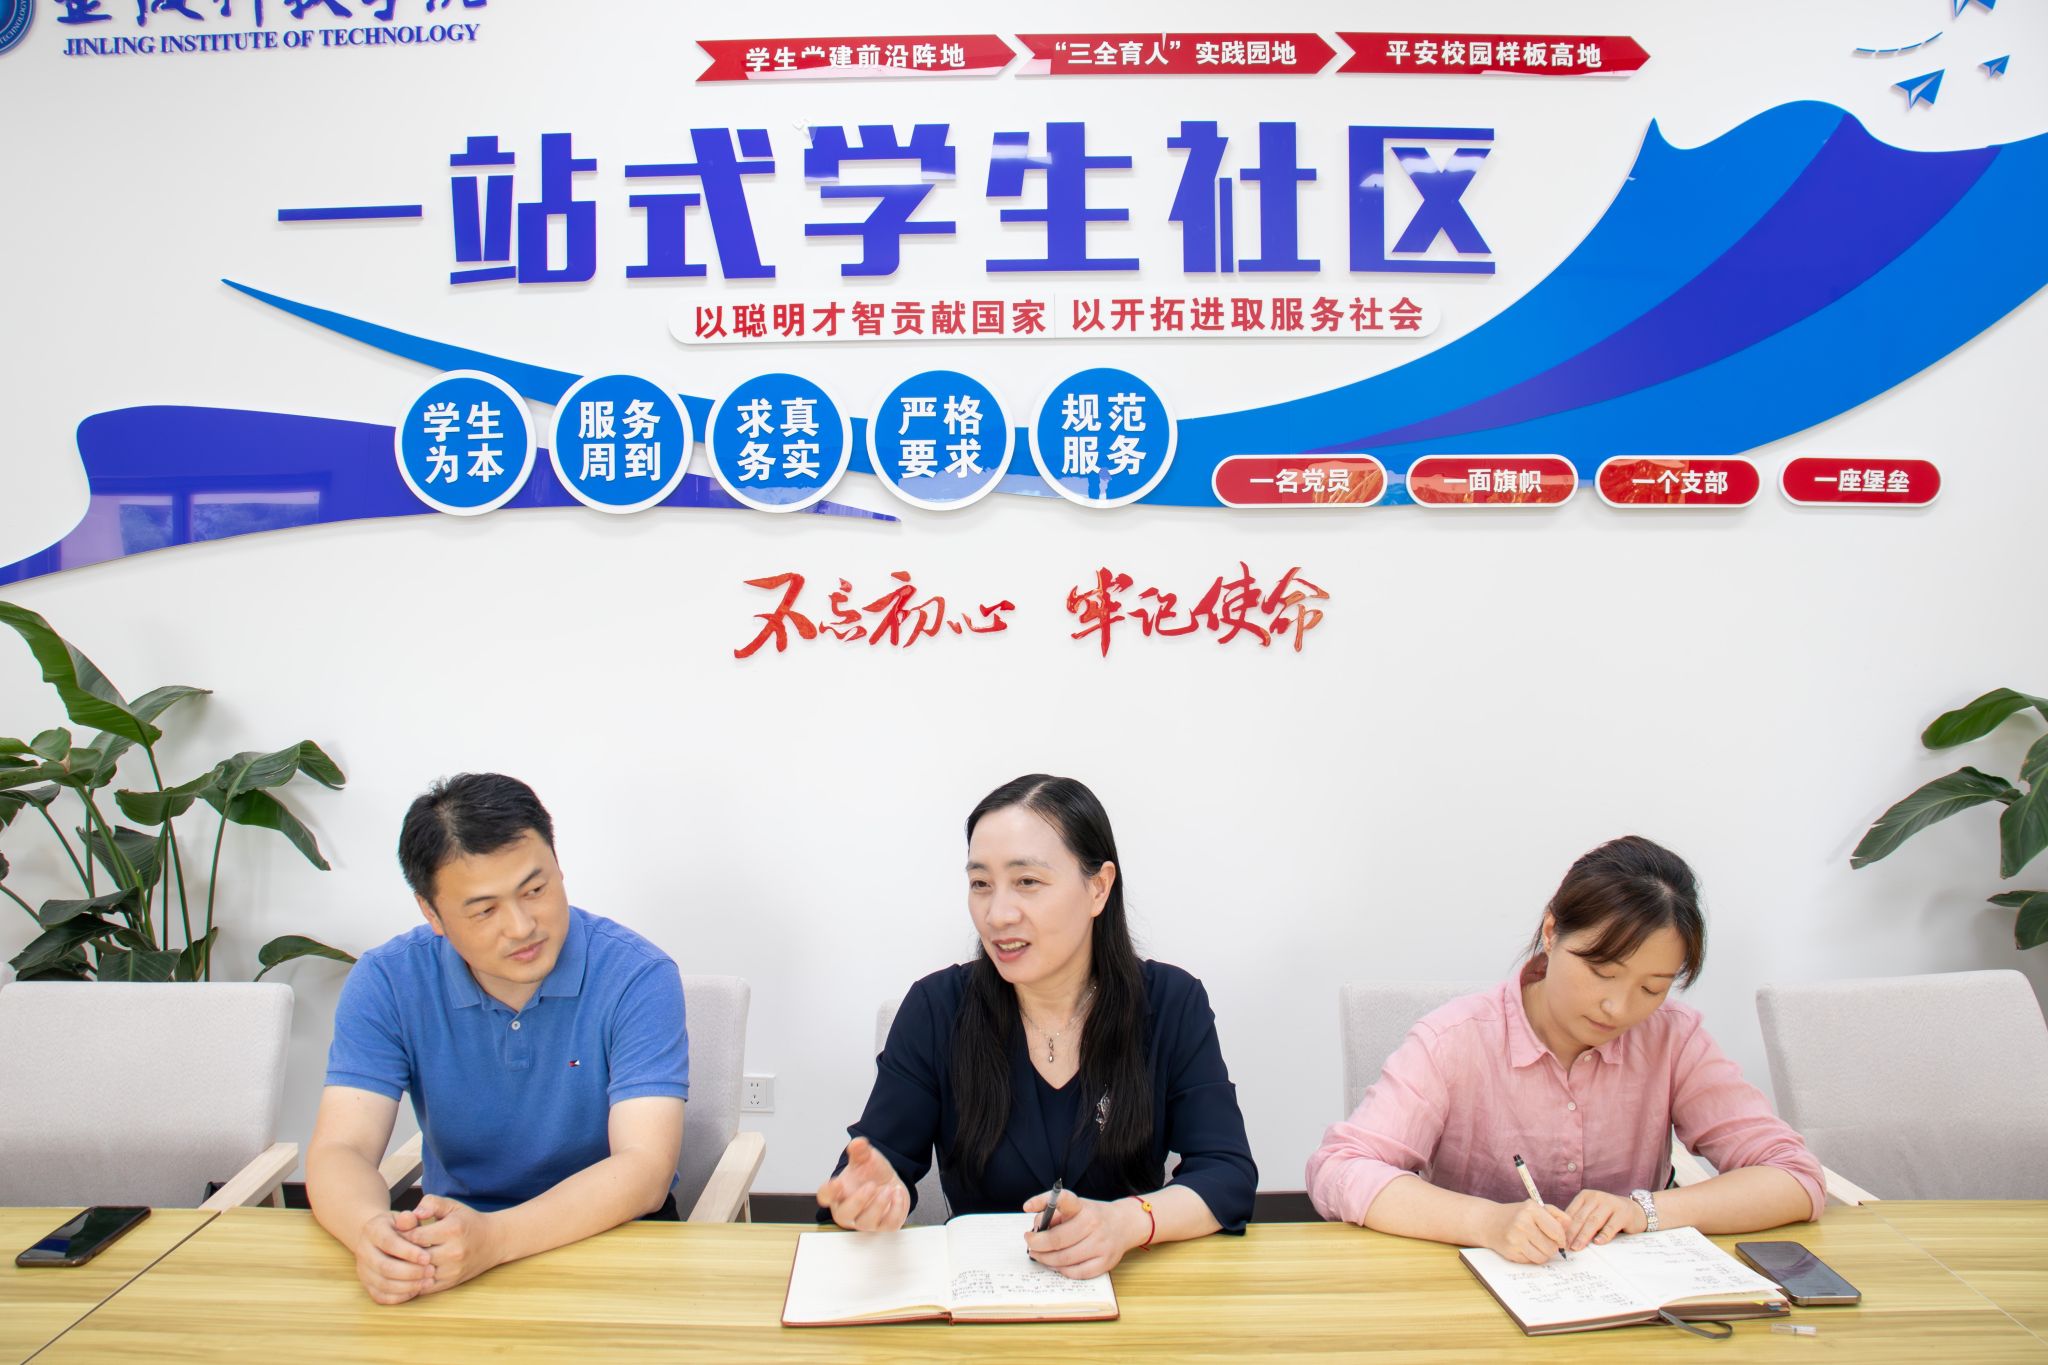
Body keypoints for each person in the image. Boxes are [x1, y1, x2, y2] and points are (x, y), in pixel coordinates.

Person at [1305, 835, 1823, 1264]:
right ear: (1552, 932)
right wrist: (1486, 1222)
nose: (1618, 1008)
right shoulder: (1455, 1040)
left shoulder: (1673, 1038)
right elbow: (1340, 1168)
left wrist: (1644, 1211)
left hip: (1627, 1308)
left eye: (1652, 988)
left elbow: (1793, 1176)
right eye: (1602, 972)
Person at [817, 774, 1257, 1278]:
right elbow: (873, 1168)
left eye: (1027, 882)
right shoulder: (936, 1009)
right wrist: (868, 1198)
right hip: (981, 1299)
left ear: (1098, 887)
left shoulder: (1171, 1003)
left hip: (1132, 1291)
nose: (998, 914)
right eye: (981, 884)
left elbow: (1226, 1173)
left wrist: (1126, 1222)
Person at [306, 773, 689, 1304]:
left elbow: (644, 1168)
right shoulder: (388, 981)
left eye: (535, 890)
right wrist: (372, 1233)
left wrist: (496, 1238)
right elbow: (341, 1148)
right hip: (453, 1248)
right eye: (485, 910)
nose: (522, 926)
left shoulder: (637, 976)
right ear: (432, 913)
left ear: (558, 868)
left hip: (614, 1243)